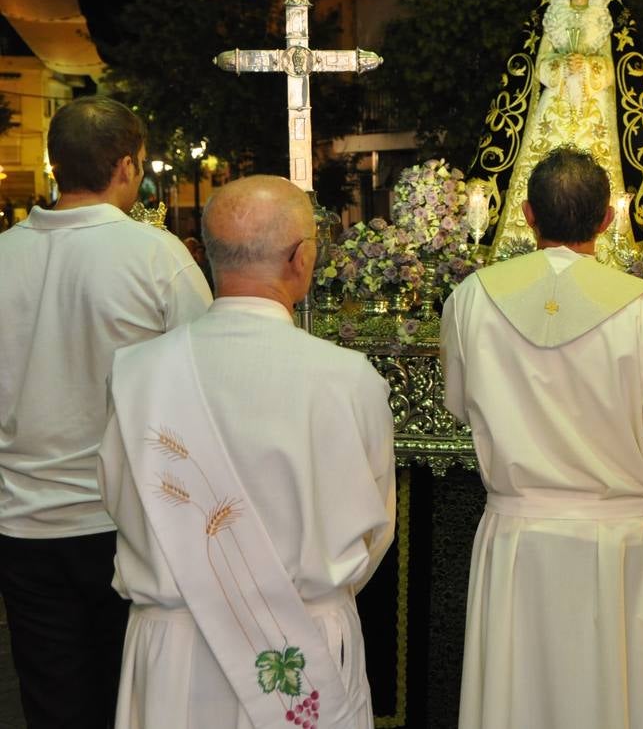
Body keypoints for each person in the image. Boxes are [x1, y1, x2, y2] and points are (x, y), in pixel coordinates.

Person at [441, 147, 643, 729]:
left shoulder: (471, 298)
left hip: (518, 537)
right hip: (619, 544)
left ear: (526, 214)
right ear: (607, 220)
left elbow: (459, 405)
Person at [98, 175, 395, 728]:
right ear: (302, 258)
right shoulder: (350, 380)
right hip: (303, 647)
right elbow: (375, 531)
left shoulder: (135, 374)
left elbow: (117, 502)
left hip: (174, 655)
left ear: (205, 254)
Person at [0, 95, 213, 728]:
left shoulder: (4, 253)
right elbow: (207, 381)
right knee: (139, 698)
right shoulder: (156, 257)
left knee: (53, 701)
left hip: (21, 519)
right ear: (127, 165)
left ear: (54, 163)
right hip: (125, 520)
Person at [489, 0, 632, 255]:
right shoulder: (555, 16)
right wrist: (561, 64)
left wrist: (589, 65)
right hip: (555, 103)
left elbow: (609, 71)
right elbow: (540, 67)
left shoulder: (600, 18)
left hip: (592, 106)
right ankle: (519, 245)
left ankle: (608, 250)